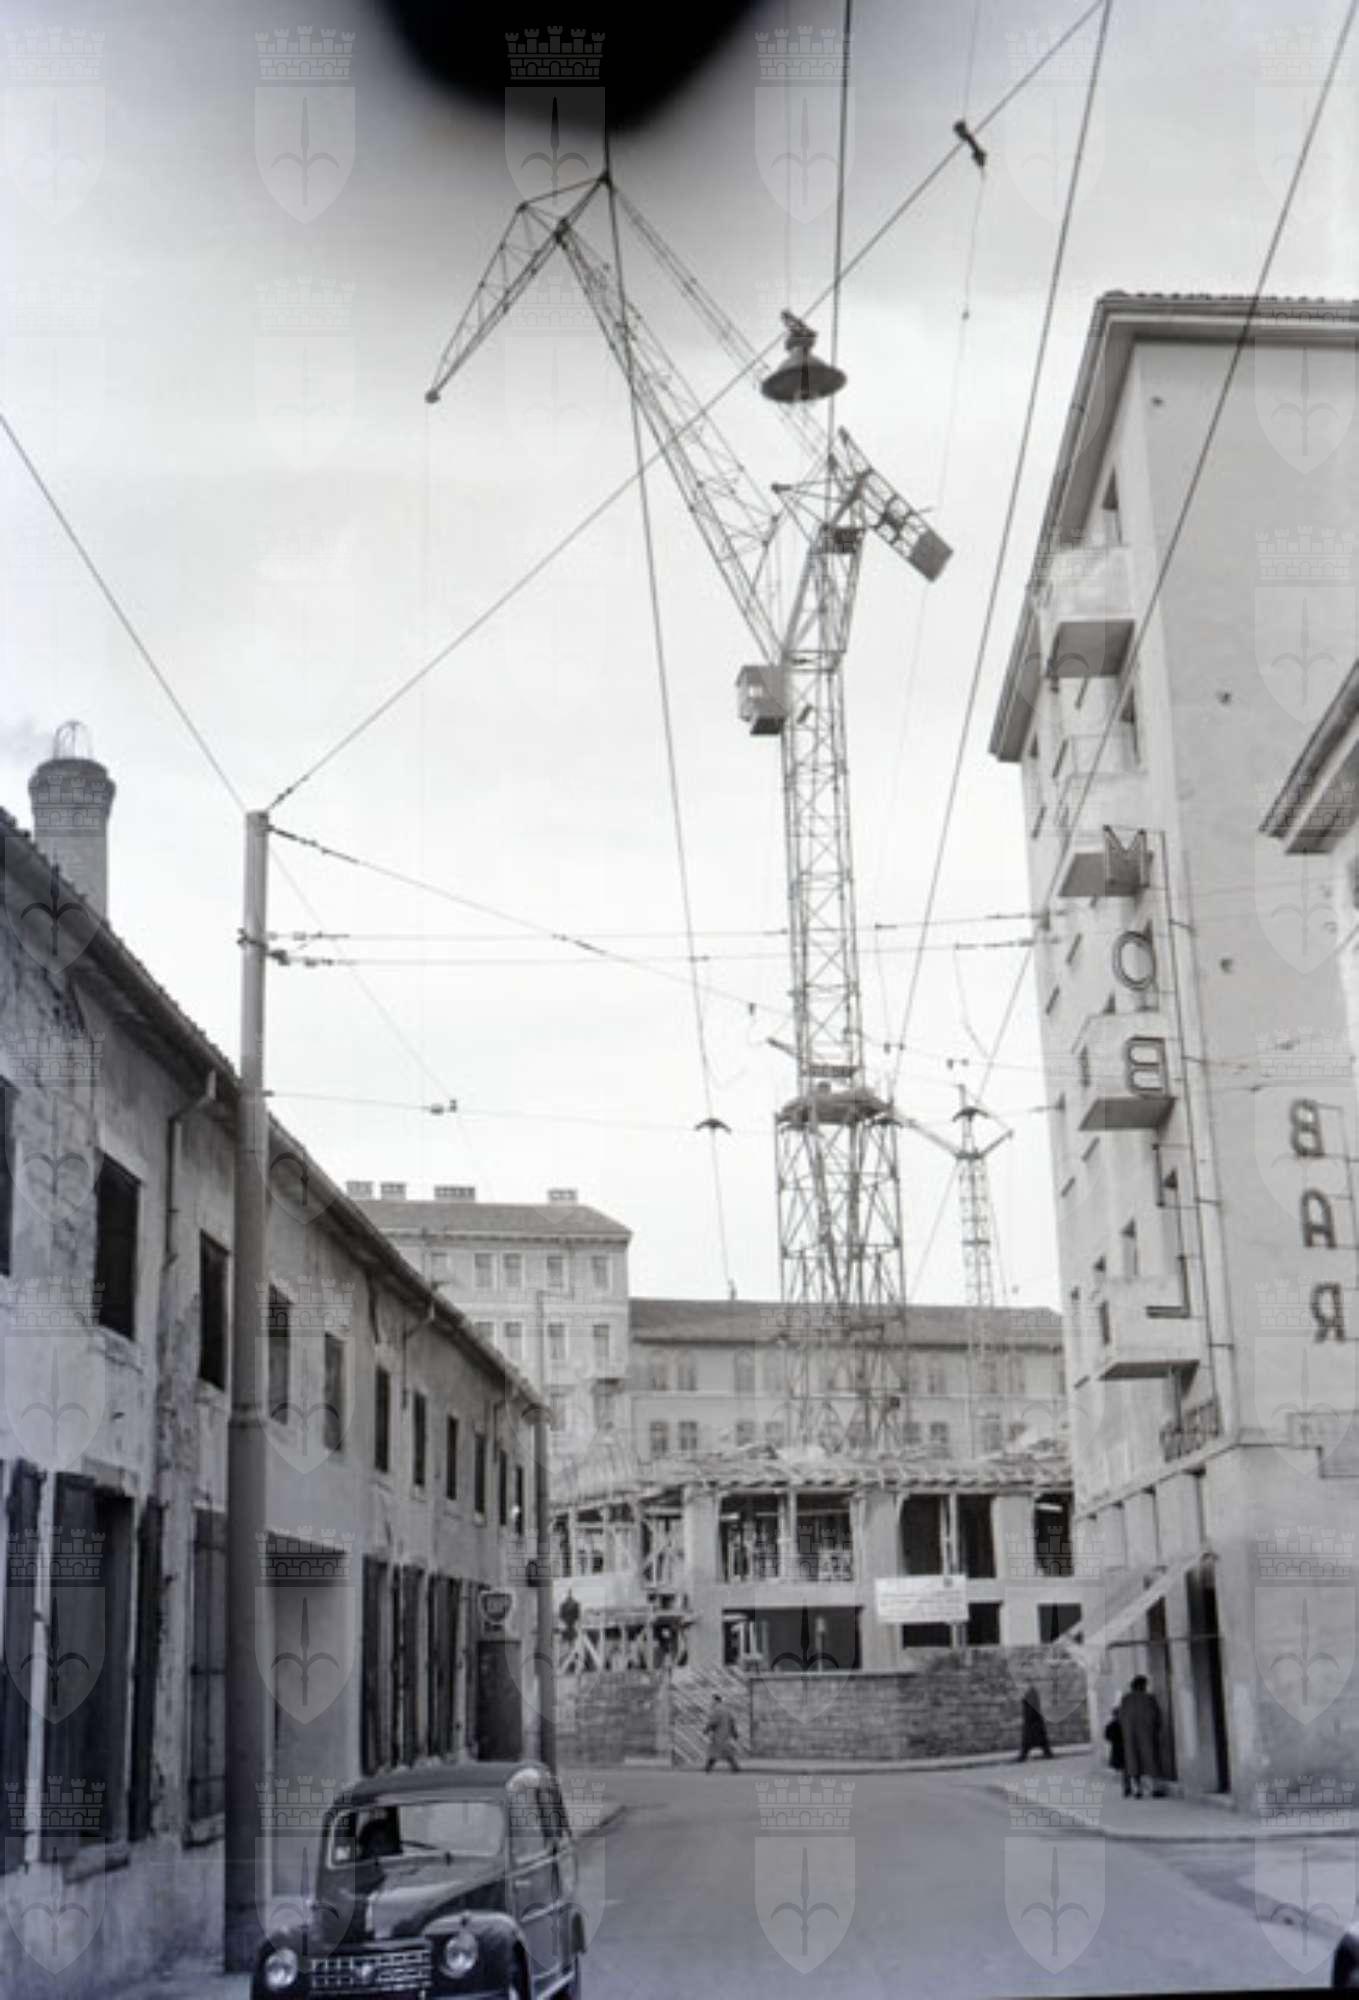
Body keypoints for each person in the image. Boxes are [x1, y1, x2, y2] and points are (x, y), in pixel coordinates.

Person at [1118, 1675, 1162, 1799]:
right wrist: (1156, 1730)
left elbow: (1121, 1717)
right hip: (1147, 1735)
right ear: (1143, 1685)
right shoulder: (1149, 1698)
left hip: (1130, 1736)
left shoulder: (1126, 1699)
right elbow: (1157, 1716)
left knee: (1134, 1761)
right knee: (1151, 1759)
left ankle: (1137, 1790)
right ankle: (1154, 1788)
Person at [1017, 1682, 1054, 1761]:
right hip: (1035, 1722)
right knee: (1040, 1740)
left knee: (1028, 1740)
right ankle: (1047, 1753)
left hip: (1032, 1722)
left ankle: (1023, 1755)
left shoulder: (1030, 1694)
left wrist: (1027, 1718)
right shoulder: (1030, 1693)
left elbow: (1031, 1709)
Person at [703, 1694, 741, 1773]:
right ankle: (734, 1767)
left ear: (715, 1701)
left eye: (711, 1700)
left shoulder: (717, 1710)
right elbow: (732, 1722)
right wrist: (734, 1733)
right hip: (726, 1734)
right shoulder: (726, 1709)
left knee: (715, 1751)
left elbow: (713, 1722)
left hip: (718, 1734)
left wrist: (706, 1730)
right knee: (725, 1751)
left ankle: (708, 1768)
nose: (710, 1702)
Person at [1104, 1705, 1129, 1796]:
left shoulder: (1123, 1724)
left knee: (1126, 1769)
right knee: (1125, 1769)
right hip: (1120, 1749)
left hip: (1123, 1748)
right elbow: (1108, 1737)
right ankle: (1127, 1787)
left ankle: (1128, 1787)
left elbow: (1107, 1737)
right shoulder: (1113, 1725)